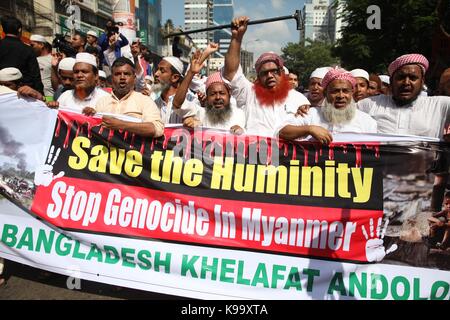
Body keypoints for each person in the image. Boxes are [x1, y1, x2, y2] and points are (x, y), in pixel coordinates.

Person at [222, 16, 310, 137]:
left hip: (287, 155)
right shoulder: (249, 93)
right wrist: (237, 38)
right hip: (255, 153)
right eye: (264, 73)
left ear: (282, 73)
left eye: (274, 71)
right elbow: (231, 72)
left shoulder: (299, 99)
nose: (269, 76)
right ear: (258, 76)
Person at [358, 54, 450, 138]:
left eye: (413, 78)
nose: (406, 83)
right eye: (400, 78)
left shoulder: (440, 105)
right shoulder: (368, 105)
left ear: (422, 82)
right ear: (391, 81)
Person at [278, 67, 377, 143]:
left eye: (345, 91)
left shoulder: (367, 122)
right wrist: (309, 129)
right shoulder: (311, 114)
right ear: (325, 93)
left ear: (352, 93)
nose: (341, 96)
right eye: (335, 91)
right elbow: (281, 132)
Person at [82, 57, 164, 138]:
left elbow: (157, 129)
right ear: (112, 78)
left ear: (134, 78)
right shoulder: (102, 101)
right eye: (117, 74)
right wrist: (92, 116)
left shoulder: (145, 101)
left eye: (126, 74)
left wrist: (121, 125)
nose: (122, 78)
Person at [173, 50, 245, 134]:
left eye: (222, 93)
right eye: (212, 94)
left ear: (229, 94)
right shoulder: (201, 114)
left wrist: (240, 131)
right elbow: (177, 105)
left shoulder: (239, 114)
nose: (218, 97)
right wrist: (191, 73)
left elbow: (248, 138)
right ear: (207, 96)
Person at [0, 16, 44, 94]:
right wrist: (40, 94)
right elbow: (35, 75)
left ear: (3, 30)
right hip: (24, 93)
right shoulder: (28, 49)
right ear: (19, 30)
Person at [152, 55, 197, 124]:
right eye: (156, 69)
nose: (156, 74)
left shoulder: (191, 100)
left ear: (175, 77)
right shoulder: (154, 103)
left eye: (162, 71)